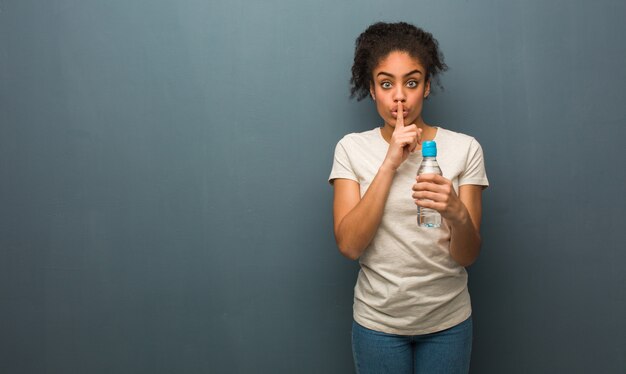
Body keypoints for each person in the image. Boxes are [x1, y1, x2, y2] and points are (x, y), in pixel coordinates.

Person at [328, 22, 489, 374]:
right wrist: (390, 163)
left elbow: (468, 255)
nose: (399, 96)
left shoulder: (465, 149)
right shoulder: (351, 149)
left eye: (411, 82)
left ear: (427, 87)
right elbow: (350, 245)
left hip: (448, 321)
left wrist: (456, 212)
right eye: (386, 84)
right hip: (378, 324)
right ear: (371, 89)